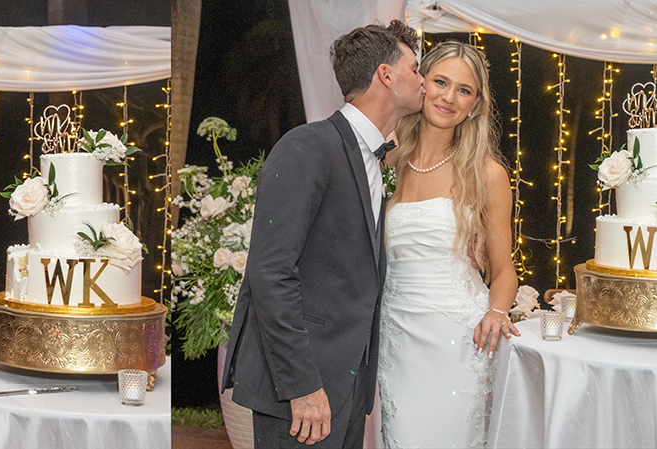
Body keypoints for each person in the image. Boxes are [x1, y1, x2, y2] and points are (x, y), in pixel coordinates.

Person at [220, 20, 424, 448]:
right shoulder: (308, 146)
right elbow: (271, 273)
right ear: (385, 75)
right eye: (415, 69)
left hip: (345, 387)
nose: (422, 81)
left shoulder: (373, 160)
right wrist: (303, 388)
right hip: (300, 391)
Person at [376, 41, 518, 448]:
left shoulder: (487, 174)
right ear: (421, 84)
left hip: (460, 340)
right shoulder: (386, 159)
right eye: (440, 82)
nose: (449, 97)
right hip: (397, 335)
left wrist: (495, 312)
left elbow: (504, 269)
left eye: (464, 90)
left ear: (474, 104)